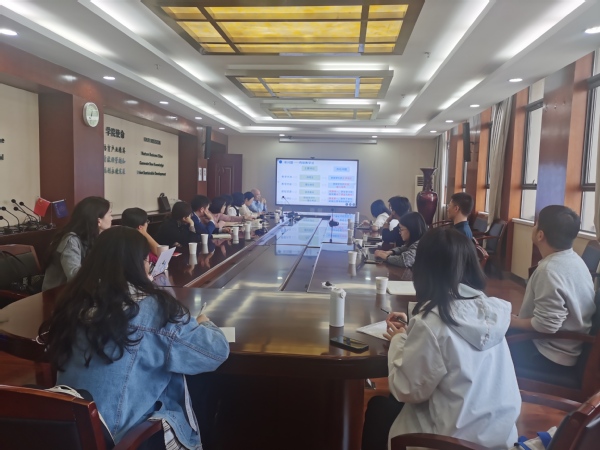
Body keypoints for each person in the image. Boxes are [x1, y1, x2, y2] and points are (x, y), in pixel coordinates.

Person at [38, 227, 230, 449]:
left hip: (68, 431)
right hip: (121, 438)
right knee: (200, 381)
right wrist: (204, 322)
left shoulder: (72, 301)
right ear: (139, 264)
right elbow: (215, 351)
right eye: (147, 260)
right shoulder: (154, 308)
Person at [362, 228, 520, 450]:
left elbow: (406, 389)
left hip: (451, 443)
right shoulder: (490, 311)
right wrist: (413, 325)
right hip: (499, 440)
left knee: (380, 407)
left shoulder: (431, 323)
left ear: (424, 268)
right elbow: (454, 331)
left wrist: (399, 339)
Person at [509, 205, 595, 370]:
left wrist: (513, 322)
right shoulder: (575, 260)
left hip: (549, 354)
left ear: (540, 235)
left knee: (489, 344)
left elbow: (546, 325)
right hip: (565, 347)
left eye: (536, 224)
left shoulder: (548, 270)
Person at [42, 196, 112, 291]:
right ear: (98, 221)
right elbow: (74, 275)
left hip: (79, 290)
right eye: (110, 215)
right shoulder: (71, 240)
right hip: (57, 294)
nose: (112, 218)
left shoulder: (94, 237)